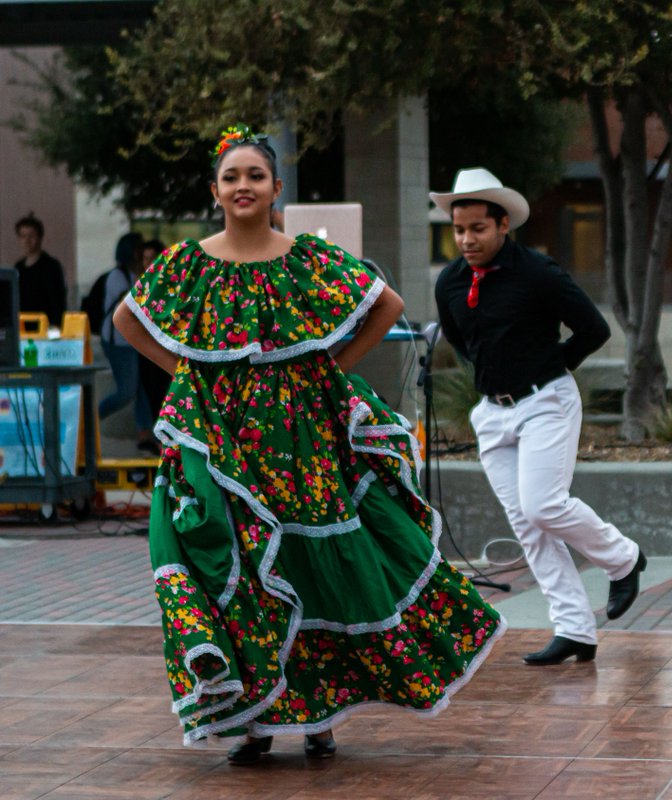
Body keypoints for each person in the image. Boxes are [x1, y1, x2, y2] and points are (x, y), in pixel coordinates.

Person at [113, 125, 505, 763]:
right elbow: (127, 320)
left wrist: (331, 373)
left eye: (255, 176)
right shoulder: (187, 264)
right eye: (232, 176)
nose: (244, 186)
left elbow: (387, 303)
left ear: (275, 189)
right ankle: (260, 719)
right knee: (242, 566)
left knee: (309, 564)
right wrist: (187, 373)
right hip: (224, 444)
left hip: (304, 441)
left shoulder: (306, 260)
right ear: (215, 190)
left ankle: (321, 714)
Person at [432, 167, 646, 666]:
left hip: (546, 401)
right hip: (491, 413)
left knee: (544, 505)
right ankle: (574, 629)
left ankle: (623, 557)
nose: (466, 239)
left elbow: (593, 329)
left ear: (503, 224)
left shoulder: (538, 272)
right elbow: (461, 342)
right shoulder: (450, 282)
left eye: (477, 229)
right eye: (459, 229)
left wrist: (550, 367)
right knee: (529, 526)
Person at [98, 232, 157, 452]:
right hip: (117, 341)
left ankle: (145, 433)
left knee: (139, 388)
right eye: (138, 249)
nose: (141, 254)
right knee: (127, 391)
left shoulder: (134, 274)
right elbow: (130, 302)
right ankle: (92, 418)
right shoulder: (118, 275)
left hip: (131, 340)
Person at [135, 238, 171, 451]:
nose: (148, 263)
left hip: (164, 347)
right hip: (145, 349)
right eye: (145, 259)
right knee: (150, 395)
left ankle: (163, 440)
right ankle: (154, 439)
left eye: (152, 258)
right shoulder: (140, 285)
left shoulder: (170, 285)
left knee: (164, 393)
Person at [13, 213, 67, 327]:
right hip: (22, 329)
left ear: (39, 237)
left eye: (31, 236)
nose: (27, 240)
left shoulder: (51, 267)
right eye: (23, 236)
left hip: (45, 329)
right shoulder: (17, 268)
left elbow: (57, 302)